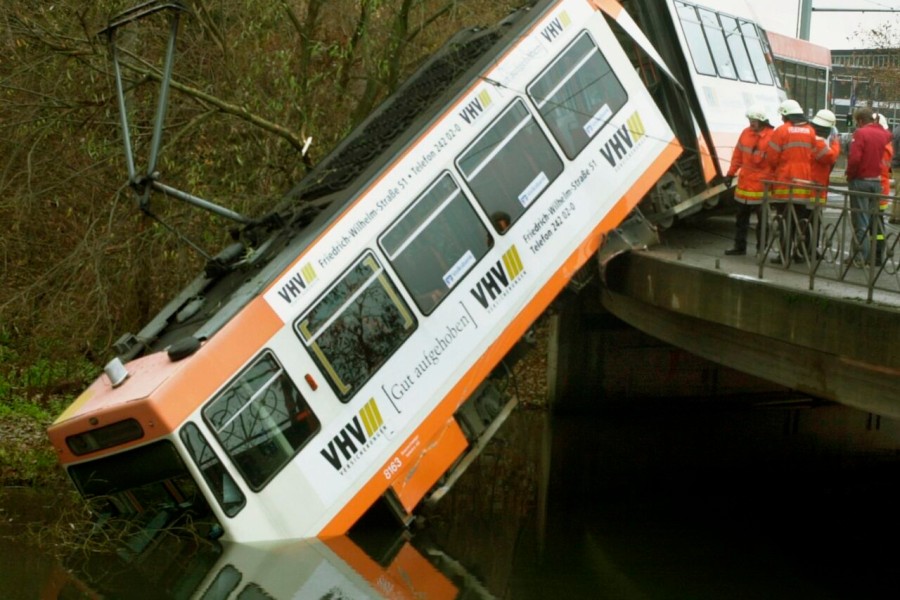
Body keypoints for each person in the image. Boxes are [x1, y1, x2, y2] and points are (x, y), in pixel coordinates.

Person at [766, 99, 817, 262]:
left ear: (786, 115)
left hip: (785, 182)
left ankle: (784, 255)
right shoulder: (810, 131)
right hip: (805, 182)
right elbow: (814, 154)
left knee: (785, 221)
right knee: (801, 220)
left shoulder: (782, 131)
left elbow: (772, 158)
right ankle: (801, 253)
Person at [724, 105, 775, 256]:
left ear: (762, 121)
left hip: (761, 185)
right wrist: (730, 174)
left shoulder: (772, 136)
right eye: (750, 120)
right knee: (741, 219)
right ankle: (739, 247)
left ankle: (761, 249)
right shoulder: (746, 133)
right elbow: (737, 156)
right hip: (745, 184)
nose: (751, 123)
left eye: (754, 121)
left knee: (762, 221)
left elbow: (774, 161)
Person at [845, 107, 892, 264]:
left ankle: (859, 257)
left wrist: (850, 175)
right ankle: (873, 256)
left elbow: (855, 158)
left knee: (860, 221)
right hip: (877, 182)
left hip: (861, 180)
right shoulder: (885, 135)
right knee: (873, 220)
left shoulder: (861, 133)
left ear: (859, 121)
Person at [891, 121, 900, 223]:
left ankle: (893, 215)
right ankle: (897, 217)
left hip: (895, 164)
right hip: (899, 164)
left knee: (897, 191)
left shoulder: (897, 129)